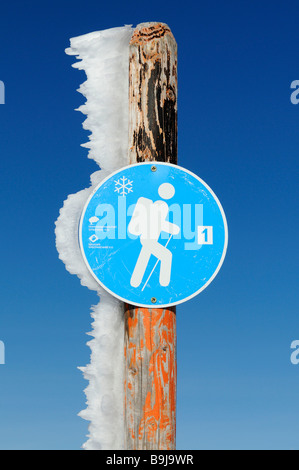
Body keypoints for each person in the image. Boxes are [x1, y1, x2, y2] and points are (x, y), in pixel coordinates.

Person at [128, 183, 180, 288]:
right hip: (148, 239)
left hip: (150, 239)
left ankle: (136, 282)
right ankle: (164, 285)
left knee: (144, 257)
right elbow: (156, 222)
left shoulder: (159, 206)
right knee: (166, 256)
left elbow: (158, 223)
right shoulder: (156, 206)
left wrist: (173, 229)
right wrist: (174, 229)